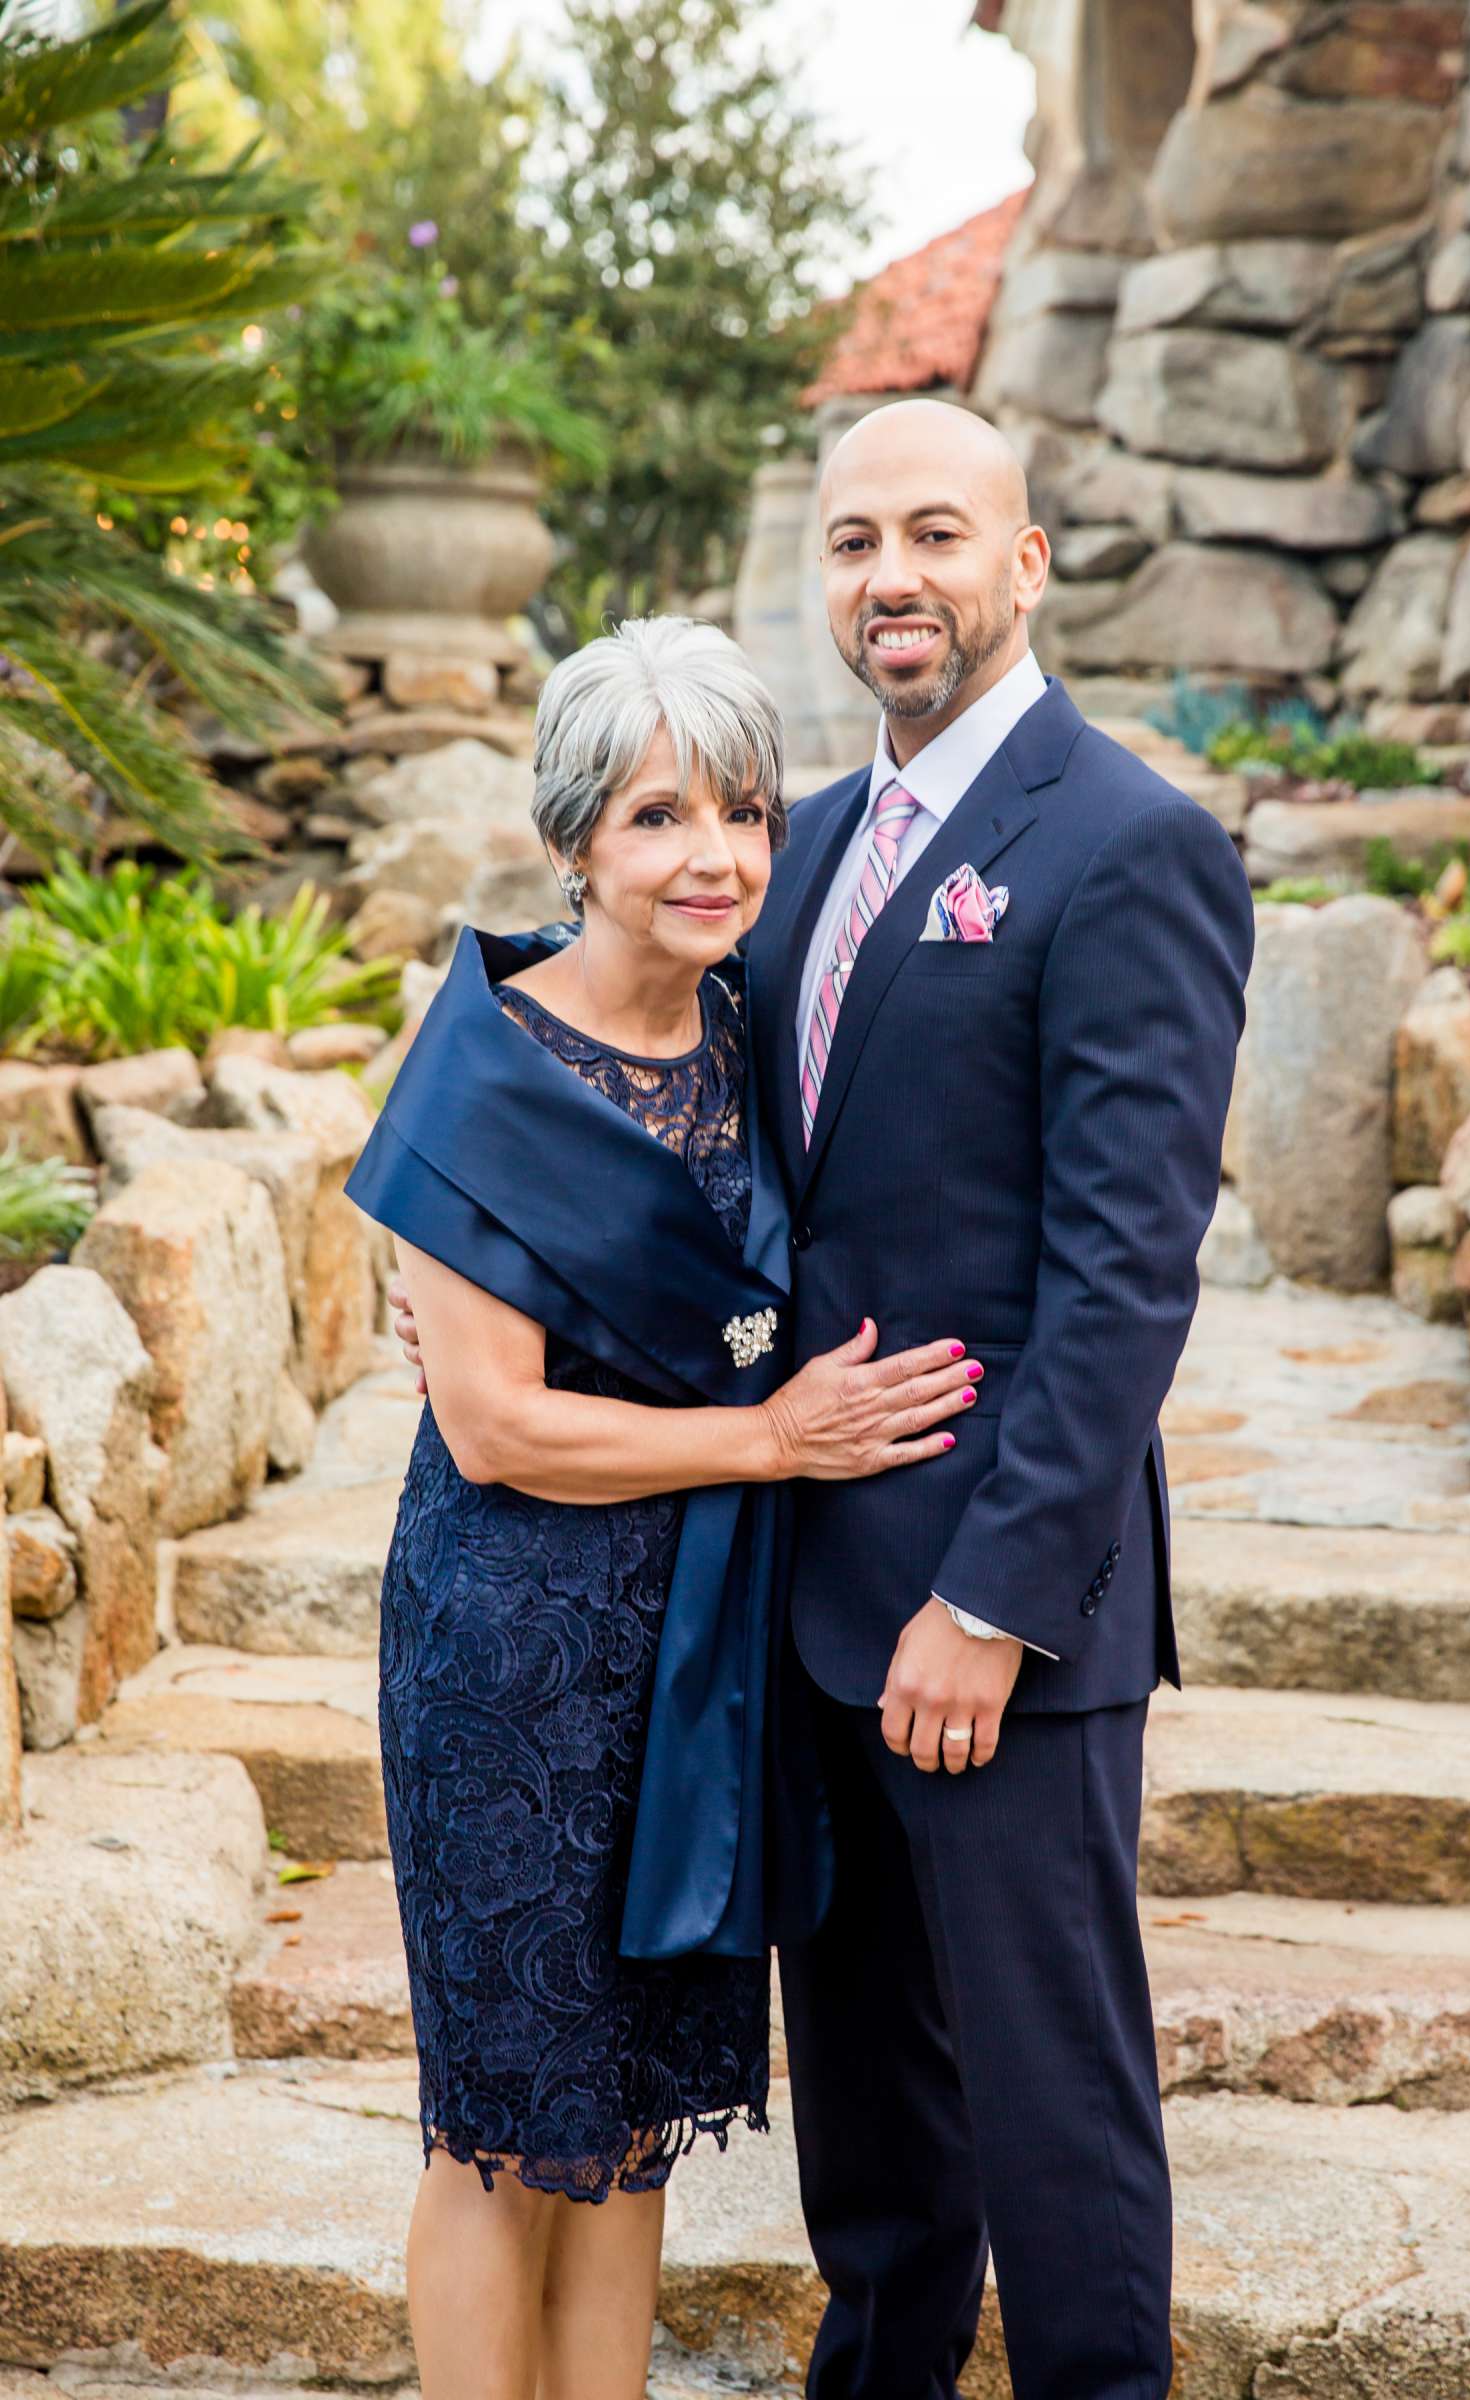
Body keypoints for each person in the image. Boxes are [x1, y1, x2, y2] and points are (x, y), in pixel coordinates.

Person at [394, 400, 1255, 2400]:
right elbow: (617, 1092)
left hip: (991, 1621)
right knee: (872, 2138)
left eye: (937, 533)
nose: (892, 574)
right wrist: (453, 1228)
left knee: (1049, 2113)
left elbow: (1126, 1275)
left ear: (1021, 562)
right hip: (788, 1616)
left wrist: (993, 1599)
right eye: (855, 538)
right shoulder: (810, 849)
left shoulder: (1125, 847)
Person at [346, 614, 984, 2400]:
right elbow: (490, 1430)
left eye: (744, 816)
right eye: (655, 818)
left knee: (631, 2124)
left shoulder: (751, 1026)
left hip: (696, 1645)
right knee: (501, 2123)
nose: (712, 857)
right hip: (514, 1649)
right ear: (575, 842)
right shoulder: (484, 1071)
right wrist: (773, 1443)